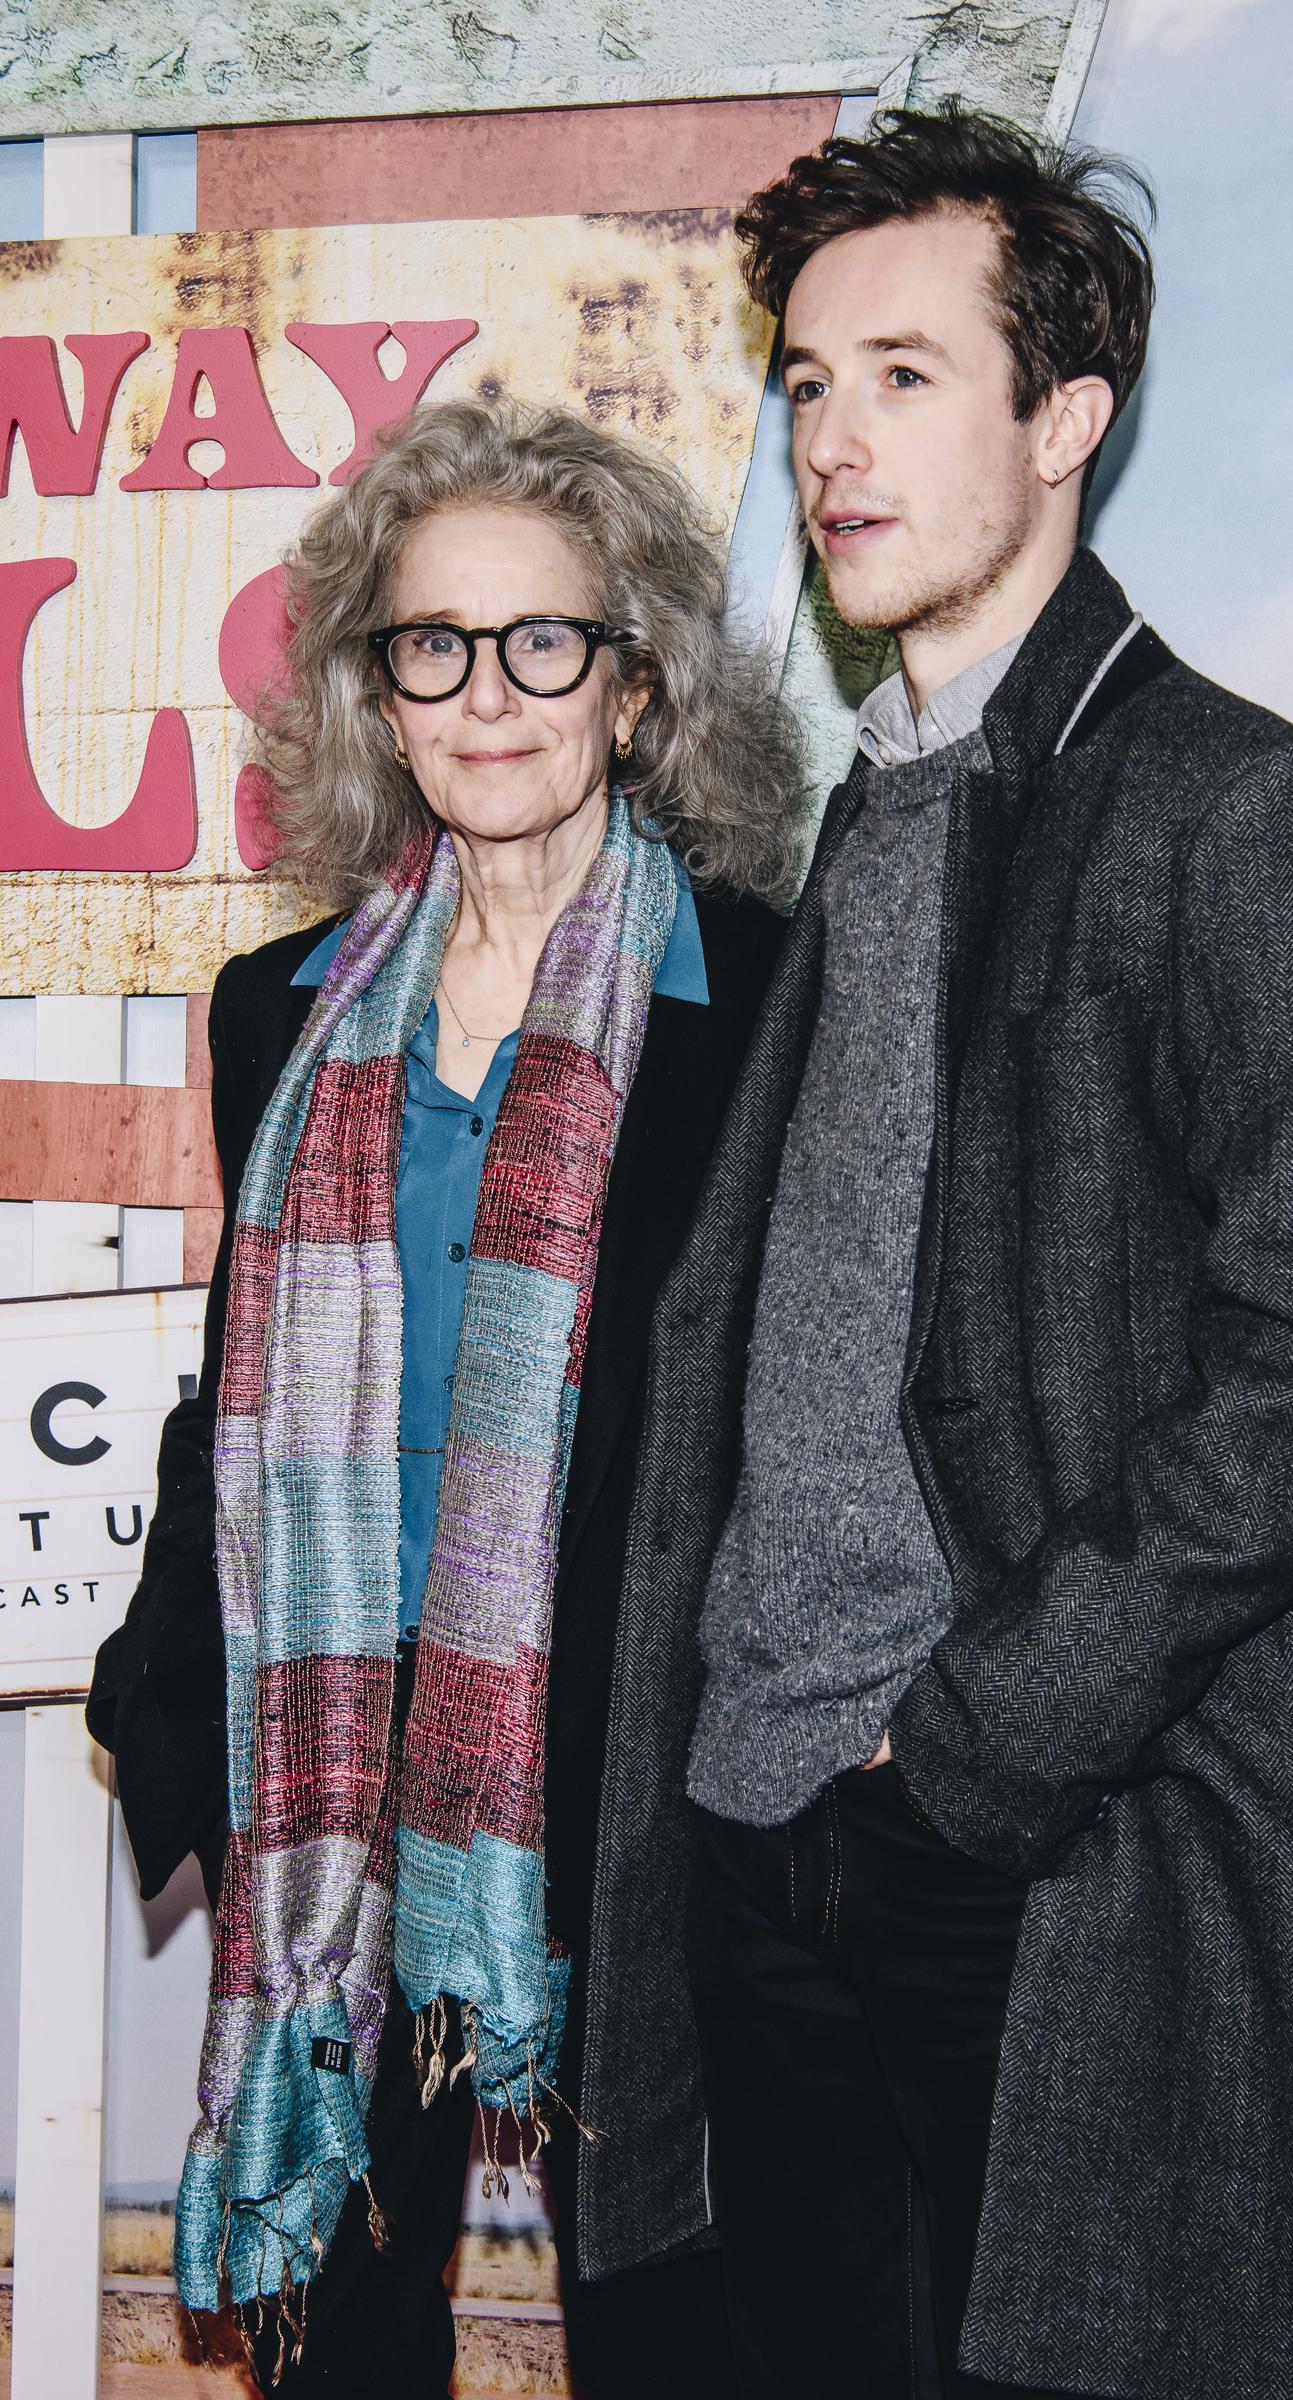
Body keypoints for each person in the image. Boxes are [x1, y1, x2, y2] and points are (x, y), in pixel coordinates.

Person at [562, 104, 1293, 2400]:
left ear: (1063, 416)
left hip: (1043, 1859)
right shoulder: (862, 817)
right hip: (762, 1833)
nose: (833, 443)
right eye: (802, 383)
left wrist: (970, 1757)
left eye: (901, 375)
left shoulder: (1243, 813)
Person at [86, 395, 804, 2400]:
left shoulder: (762, 997)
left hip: (631, 1766)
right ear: (377, 696)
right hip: (325, 1747)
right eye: (432, 645)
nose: (487, 694)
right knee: (348, 2339)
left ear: (638, 686)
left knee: (669, 2315)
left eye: (543, 641)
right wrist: (164, 1677)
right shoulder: (280, 1012)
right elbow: (236, 1372)